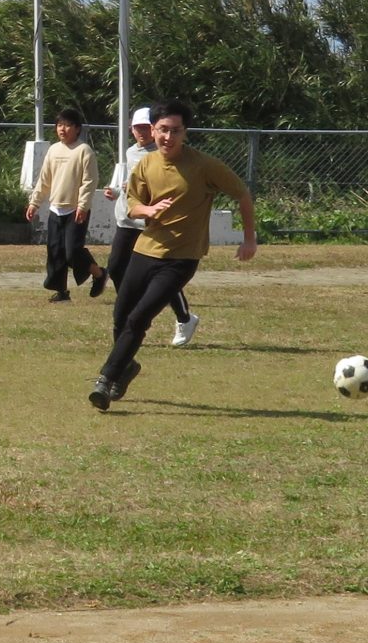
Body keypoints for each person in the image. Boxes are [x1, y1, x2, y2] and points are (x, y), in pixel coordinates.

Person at [89, 100, 257, 411]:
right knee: (121, 316)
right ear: (153, 131)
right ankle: (126, 367)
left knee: (139, 317)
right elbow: (132, 205)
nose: (168, 137)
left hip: (181, 258)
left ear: (185, 133)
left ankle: (105, 379)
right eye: (163, 130)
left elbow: (242, 194)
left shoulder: (204, 166)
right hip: (144, 250)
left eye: (175, 131)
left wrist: (249, 238)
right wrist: (148, 210)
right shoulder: (145, 165)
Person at [102, 105, 197, 345]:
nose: (142, 132)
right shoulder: (130, 152)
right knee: (115, 267)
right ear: (132, 129)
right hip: (127, 219)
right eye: (137, 128)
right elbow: (126, 181)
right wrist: (116, 191)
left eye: (146, 128)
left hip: (151, 224)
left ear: (153, 129)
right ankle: (131, 312)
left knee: (162, 277)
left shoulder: (165, 151)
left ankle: (184, 318)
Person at [24, 107, 102, 303]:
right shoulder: (53, 150)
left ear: (77, 129)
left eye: (67, 125)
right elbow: (44, 180)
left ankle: (99, 273)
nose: (63, 129)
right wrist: (34, 203)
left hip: (75, 210)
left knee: (72, 251)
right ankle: (62, 292)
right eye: (60, 125)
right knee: (55, 251)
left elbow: (89, 181)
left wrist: (83, 206)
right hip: (55, 208)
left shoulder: (84, 151)